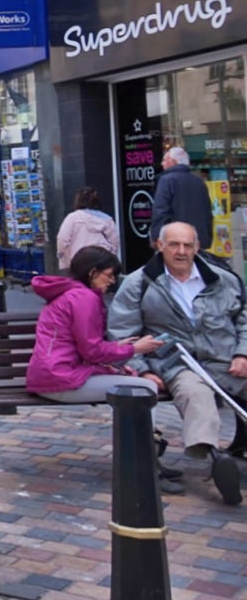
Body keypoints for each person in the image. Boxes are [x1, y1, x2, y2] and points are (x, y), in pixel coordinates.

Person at [108, 222, 247, 504]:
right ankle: (214, 457)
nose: (181, 251)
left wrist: (243, 353)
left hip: (224, 358)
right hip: (178, 363)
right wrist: (143, 370)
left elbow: (244, 318)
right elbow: (122, 334)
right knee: (196, 394)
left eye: (187, 245)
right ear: (160, 246)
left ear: (197, 247)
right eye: (174, 245)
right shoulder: (139, 283)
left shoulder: (224, 280)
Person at [29, 245, 162, 402]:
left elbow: (83, 345)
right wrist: (134, 349)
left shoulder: (69, 293)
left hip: (49, 376)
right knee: (146, 388)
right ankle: (143, 428)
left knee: (133, 384)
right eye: (110, 275)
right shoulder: (84, 298)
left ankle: (138, 427)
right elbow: (92, 352)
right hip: (62, 380)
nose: (112, 281)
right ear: (93, 272)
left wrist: (117, 346)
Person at [151, 146, 214, 251]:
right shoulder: (199, 182)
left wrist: (156, 236)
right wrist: (207, 238)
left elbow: (160, 211)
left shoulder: (166, 180)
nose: (162, 164)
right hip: (197, 241)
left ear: (173, 161)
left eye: (165, 160)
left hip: (175, 241)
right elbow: (208, 213)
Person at [56, 187, 121, 267]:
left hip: (78, 260)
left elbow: (62, 239)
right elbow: (115, 242)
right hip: (102, 261)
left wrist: (62, 256)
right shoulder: (107, 219)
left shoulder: (72, 217)